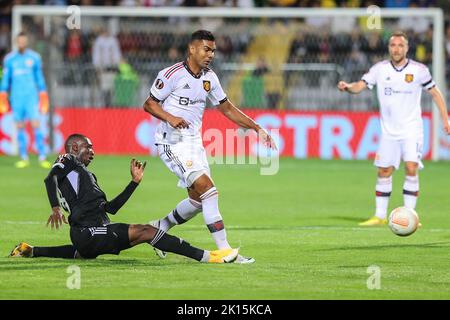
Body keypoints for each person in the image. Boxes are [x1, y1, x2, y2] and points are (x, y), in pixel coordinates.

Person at [143, 30, 277, 264]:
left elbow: (226, 108)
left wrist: (256, 127)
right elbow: (149, 103)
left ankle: (158, 228)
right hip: (171, 142)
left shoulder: (209, 78)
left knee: (197, 200)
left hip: (194, 143)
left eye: (213, 50)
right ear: (192, 49)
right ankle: (226, 252)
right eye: (207, 49)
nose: (211, 54)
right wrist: (170, 118)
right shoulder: (171, 74)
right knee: (209, 190)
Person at [10, 133, 239, 264]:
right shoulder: (67, 160)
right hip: (86, 231)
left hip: (91, 232)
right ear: (75, 147)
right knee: (146, 231)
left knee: (85, 252)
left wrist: (134, 183)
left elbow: (111, 208)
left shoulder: (88, 176)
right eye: (89, 148)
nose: (93, 152)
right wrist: (55, 208)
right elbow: (50, 179)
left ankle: (33, 250)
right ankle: (209, 257)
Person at [337, 31, 450, 226]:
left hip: (412, 129)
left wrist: (445, 119)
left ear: (407, 48)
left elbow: (435, 93)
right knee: (384, 171)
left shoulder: (418, 70)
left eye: (400, 45)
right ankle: (379, 216)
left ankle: (411, 215)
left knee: (411, 167)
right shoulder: (379, 69)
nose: (396, 49)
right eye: (393, 45)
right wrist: (347, 87)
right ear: (389, 48)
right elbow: (360, 86)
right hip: (389, 131)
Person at [0, 32, 51, 169]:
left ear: (26, 42)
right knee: (20, 126)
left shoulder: (34, 58)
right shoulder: (10, 59)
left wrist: (43, 93)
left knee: (35, 124)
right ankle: (24, 157)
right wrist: (3, 93)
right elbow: (6, 78)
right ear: (17, 42)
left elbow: (39, 77)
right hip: (16, 97)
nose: (22, 43)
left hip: (31, 96)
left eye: (24, 41)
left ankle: (42, 156)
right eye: (20, 41)